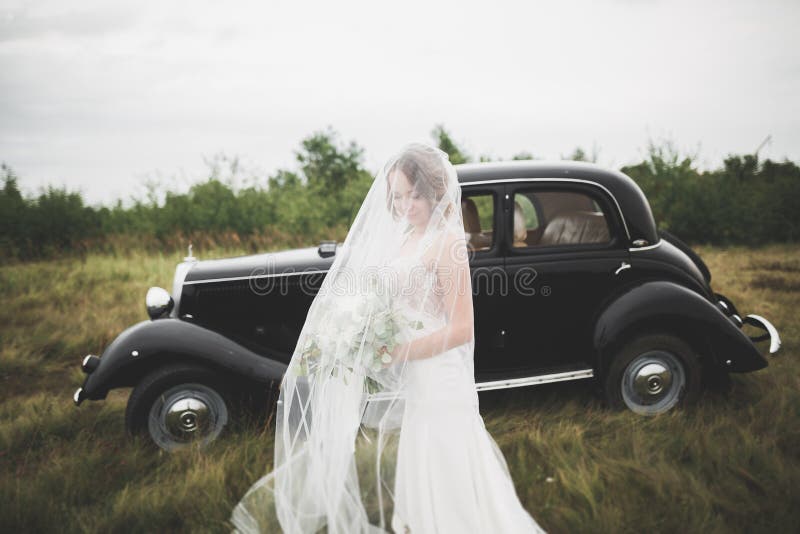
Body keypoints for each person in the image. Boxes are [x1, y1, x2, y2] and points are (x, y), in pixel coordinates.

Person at [230, 143, 545, 533]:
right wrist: (352, 329)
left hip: (440, 372)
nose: (405, 205)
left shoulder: (448, 244)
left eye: (414, 195)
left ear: (434, 193)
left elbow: (463, 328)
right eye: (397, 196)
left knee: (446, 447)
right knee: (421, 445)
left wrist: (399, 351)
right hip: (416, 371)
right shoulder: (403, 239)